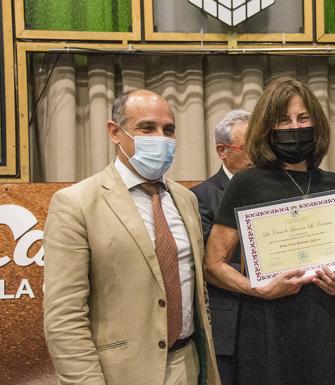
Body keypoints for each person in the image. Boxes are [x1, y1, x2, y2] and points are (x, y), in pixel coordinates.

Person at [43, 89, 221, 385]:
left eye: (169, 130)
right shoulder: (76, 203)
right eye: (147, 128)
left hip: (189, 365)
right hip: (120, 375)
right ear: (115, 132)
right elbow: (64, 317)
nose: (161, 138)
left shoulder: (186, 199)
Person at [204, 77, 335, 385]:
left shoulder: (334, 184)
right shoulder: (246, 183)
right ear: (267, 128)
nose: (294, 127)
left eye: (303, 118)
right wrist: (256, 288)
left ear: (316, 124)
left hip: (325, 322)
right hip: (265, 325)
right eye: (283, 120)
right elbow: (213, 265)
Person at [191, 109, 252, 385]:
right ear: (222, 150)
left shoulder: (274, 189)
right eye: (247, 147)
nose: (257, 154)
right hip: (228, 324)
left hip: (274, 318)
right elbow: (207, 262)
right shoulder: (200, 198)